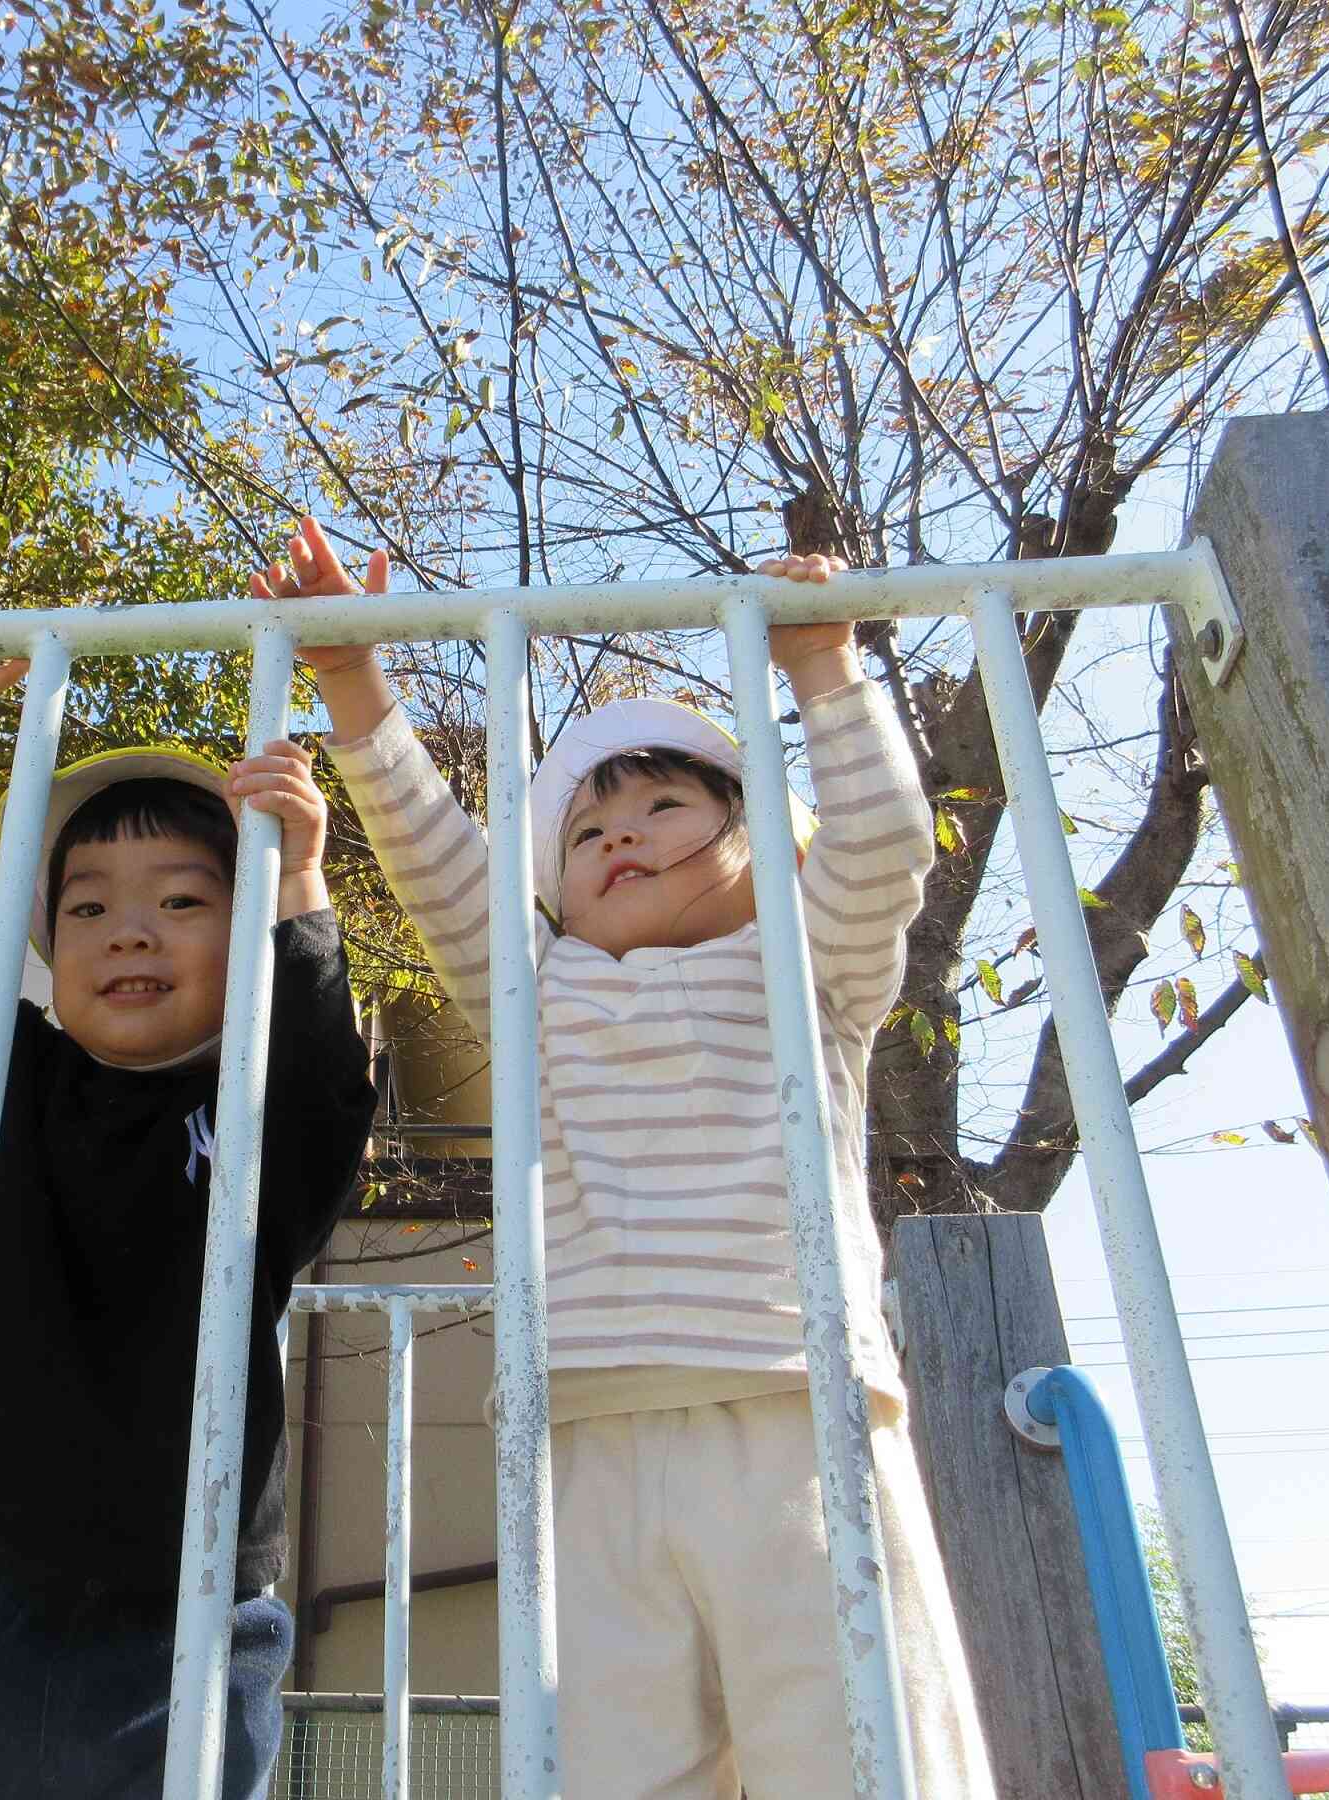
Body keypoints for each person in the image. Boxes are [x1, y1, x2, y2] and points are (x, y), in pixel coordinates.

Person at [258, 520, 994, 1799]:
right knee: (616, 1760)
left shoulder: (803, 970)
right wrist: (354, 686)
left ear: (768, 848)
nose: (621, 836)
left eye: (668, 805)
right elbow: (438, 865)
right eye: (584, 834)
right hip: (585, 1421)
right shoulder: (543, 991)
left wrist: (825, 668)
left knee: (859, 1741)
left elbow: (882, 855)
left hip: (791, 1402)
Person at [0, 599, 379, 1799]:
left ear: (243, 938)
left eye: (182, 902)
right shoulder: (11, 1077)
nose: (129, 930)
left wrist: (300, 891)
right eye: (87, 909)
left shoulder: (256, 1115)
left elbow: (328, 1082)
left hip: (185, 1593)